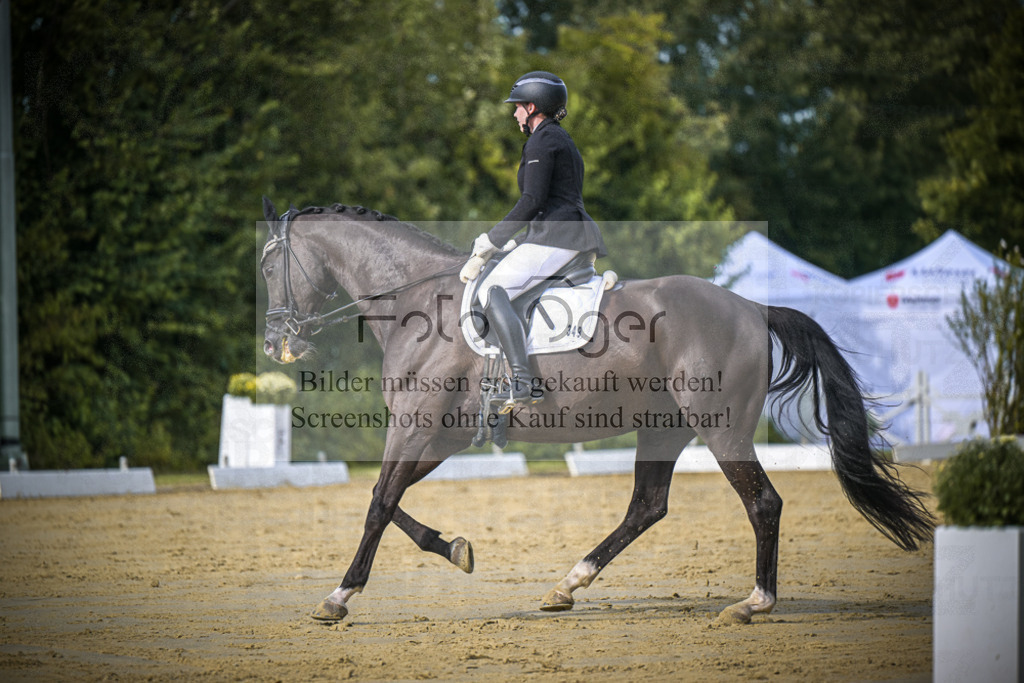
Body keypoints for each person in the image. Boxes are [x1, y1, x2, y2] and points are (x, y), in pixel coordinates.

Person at [460, 71, 607, 408]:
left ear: (533, 107)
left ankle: (522, 382)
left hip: (560, 238)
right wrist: (520, 242)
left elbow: (532, 201)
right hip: (559, 234)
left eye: (518, 107)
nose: (514, 114)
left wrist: (490, 242)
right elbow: (551, 202)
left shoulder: (542, 140)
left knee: (490, 290)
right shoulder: (558, 138)